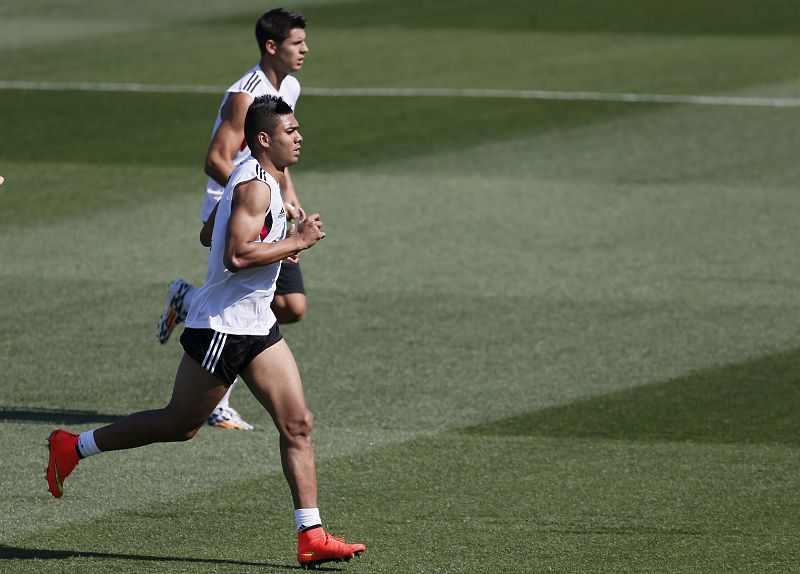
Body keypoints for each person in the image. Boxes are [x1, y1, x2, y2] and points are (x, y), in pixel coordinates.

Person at [46, 95, 366, 569]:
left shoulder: (262, 179)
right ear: (264, 139)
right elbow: (235, 256)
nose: (299, 138)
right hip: (223, 326)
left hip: (257, 323)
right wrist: (294, 241)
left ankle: (310, 533)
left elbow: (208, 235)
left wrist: (278, 243)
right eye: (290, 131)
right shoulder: (255, 187)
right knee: (180, 425)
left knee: (298, 423)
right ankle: (73, 446)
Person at [157, 8, 310, 430]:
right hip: (236, 203)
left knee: (290, 306)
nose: (305, 50)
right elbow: (216, 159)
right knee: (239, 306)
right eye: (297, 43)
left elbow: (275, 148)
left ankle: (186, 301)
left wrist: (287, 195)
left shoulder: (288, 87)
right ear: (272, 46)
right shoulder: (244, 95)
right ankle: (216, 401)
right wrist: (262, 201)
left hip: (264, 203)